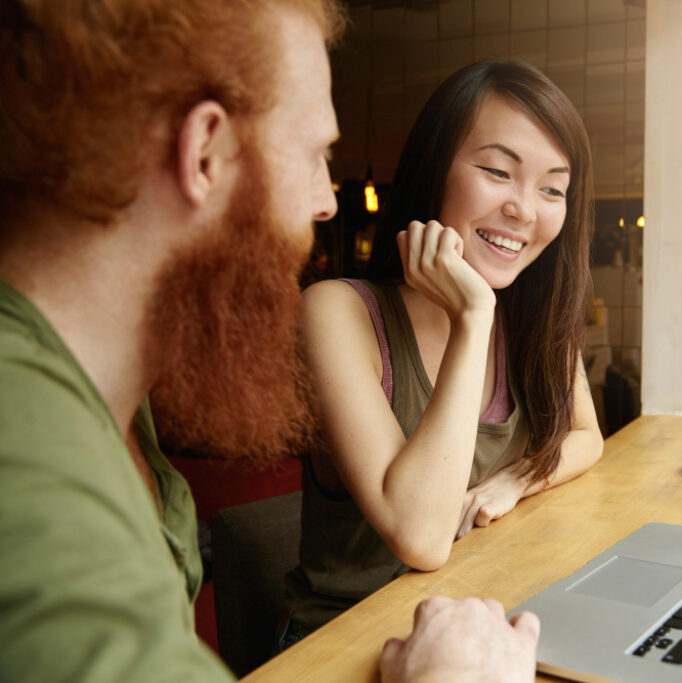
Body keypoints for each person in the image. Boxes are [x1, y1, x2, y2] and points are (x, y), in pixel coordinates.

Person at [0, 2, 536, 681]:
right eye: (317, 155)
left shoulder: (108, 408)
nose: (327, 203)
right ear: (206, 153)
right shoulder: (26, 443)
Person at [282, 59, 604, 643]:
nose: (525, 210)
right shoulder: (336, 312)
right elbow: (421, 536)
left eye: (552, 188)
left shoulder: (535, 317)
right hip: (347, 651)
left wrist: (514, 482)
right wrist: (473, 316)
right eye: (497, 171)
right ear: (435, 168)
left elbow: (587, 438)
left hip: (478, 627)